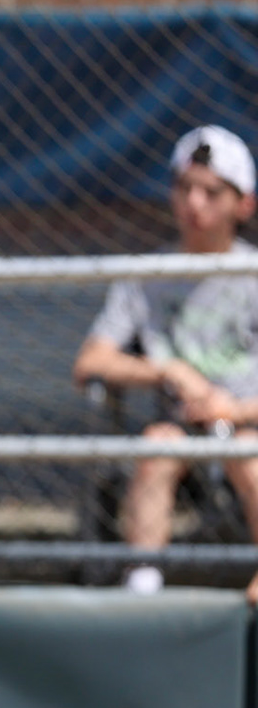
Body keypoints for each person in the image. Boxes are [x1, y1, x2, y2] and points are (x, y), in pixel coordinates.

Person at [70, 124, 258, 600]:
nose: (194, 204)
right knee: (157, 446)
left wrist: (235, 411)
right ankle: (143, 589)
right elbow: (90, 361)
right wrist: (167, 371)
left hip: (247, 426)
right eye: (184, 188)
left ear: (244, 205)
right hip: (180, 432)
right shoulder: (148, 275)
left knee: (250, 457)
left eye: (212, 193)